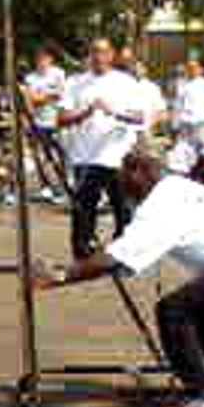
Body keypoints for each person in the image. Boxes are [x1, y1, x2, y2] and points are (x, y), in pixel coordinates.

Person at [34, 152, 204, 407]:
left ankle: (203, 397)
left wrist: (60, 275)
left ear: (139, 173)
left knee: (174, 311)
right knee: (196, 309)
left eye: (123, 181)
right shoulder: (177, 187)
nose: (122, 190)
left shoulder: (162, 204)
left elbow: (117, 258)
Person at [58, 39, 143, 259]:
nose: (98, 56)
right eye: (94, 51)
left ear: (112, 55)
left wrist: (113, 111)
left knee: (122, 206)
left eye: (103, 52)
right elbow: (62, 117)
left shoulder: (125, 82)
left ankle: (124, 251)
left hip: (116, 153)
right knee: (83, 206)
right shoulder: (75, 82)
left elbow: (138, 115)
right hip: (84, 155)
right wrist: (86, 111)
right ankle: (83, 252)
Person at [24, 45, 67, 201]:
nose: (41, 62)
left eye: (44, 59)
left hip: (57, 120)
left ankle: (64, 185)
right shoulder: (30, 78)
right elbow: (30, 99)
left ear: (50, 60)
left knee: (62, 154)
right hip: (39, 122)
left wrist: (40, 97)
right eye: (38, 60)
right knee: (40, 156)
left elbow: (62, 93)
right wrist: (49, 95)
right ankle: (46, 186)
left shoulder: (59, 73)